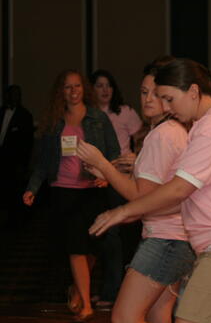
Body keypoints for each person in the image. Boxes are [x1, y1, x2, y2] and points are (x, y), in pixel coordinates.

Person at [88, 58, 211, 323]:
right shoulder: (207, 125)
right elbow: (185, 198)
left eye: (170, 99)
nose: (167, 107)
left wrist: (123, 210)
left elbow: (178, 189)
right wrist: (135, 211)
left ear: (194, 92)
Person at [76, 62, 195, 323]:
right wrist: (109, 174)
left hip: (166, 239)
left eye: (156, 93)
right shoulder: (171, 131)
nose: (149, 99)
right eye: (144, 92)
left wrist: (103, 164)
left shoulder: (162, 135)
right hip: (177, 237)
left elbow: (141, 198)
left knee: (124, 316)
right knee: (157, 315)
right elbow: (154, 191)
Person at [22, 69, 120, 322]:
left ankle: (77, 288)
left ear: (83, 89)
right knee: (76, 247)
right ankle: (86, 304)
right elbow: (43, 162)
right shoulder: (55, 122)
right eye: (68, 87)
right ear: (61, 92)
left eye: (77, 86)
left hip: (93, 191)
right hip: (63, 192)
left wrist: (106, 175)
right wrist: (32, 188)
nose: (73, 91)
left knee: (94, 248)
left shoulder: (98, 118)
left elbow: (113, 152)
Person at [90, 69, 144, 305]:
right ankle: (100, 289)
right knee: (96, 237)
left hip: (119, 179)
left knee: (116, 237)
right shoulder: (88, 114)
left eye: (108, 85)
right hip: (91, 180)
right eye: (100, 85)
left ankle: (115, 291)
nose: (105, 90)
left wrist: (134, 156)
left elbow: (141, 136)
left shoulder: (124, 112)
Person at [0, 85, 34, 229]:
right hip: (1, 161)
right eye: (12, 94)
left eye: (17, 94)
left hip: (15, 163)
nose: (15, 97)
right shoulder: (1, 112)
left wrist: (23, 164)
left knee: (15, 192)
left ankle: (16, 223)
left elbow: (27, 143)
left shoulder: (25, 116)